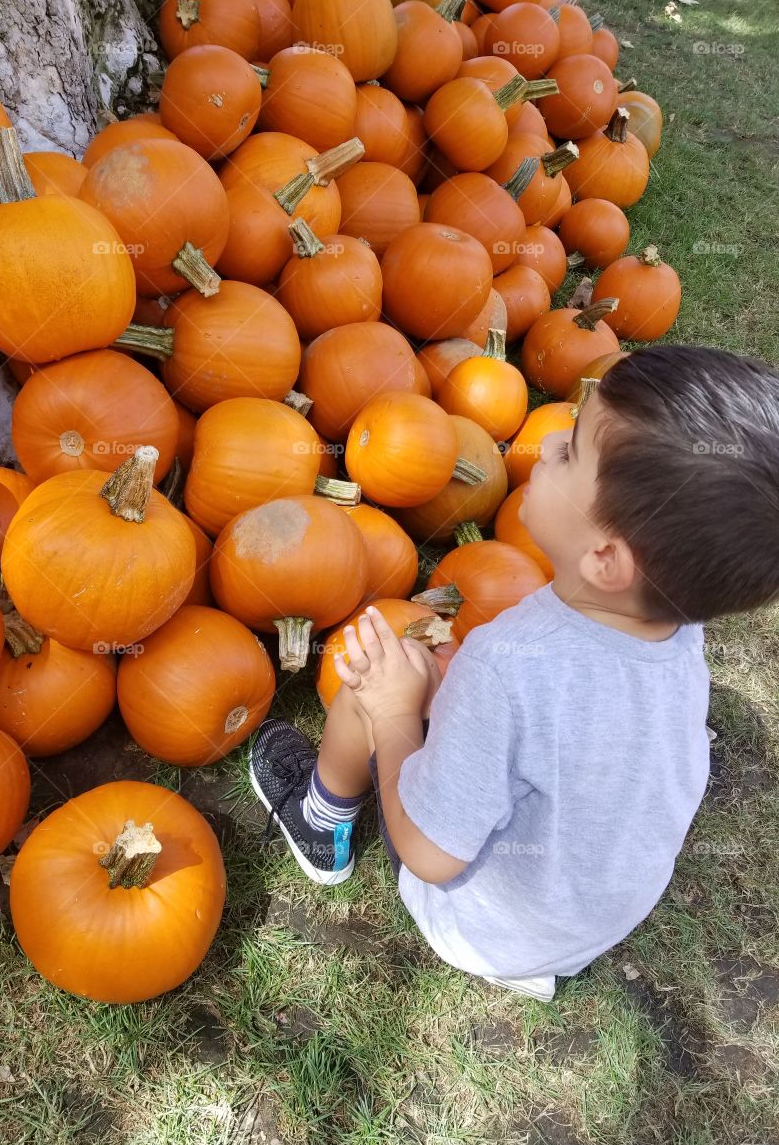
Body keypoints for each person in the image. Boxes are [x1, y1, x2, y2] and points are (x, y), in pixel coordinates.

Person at [248, 346, 779, 1001]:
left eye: (568, 454)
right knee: (435, 688)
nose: (549, 437)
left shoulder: (506, 666)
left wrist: (392, 712)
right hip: (589, 923)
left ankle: (320, 824)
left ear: (606, 558)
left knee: (374, 676)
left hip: (484, 929)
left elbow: (429, 853)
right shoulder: (678, 628)